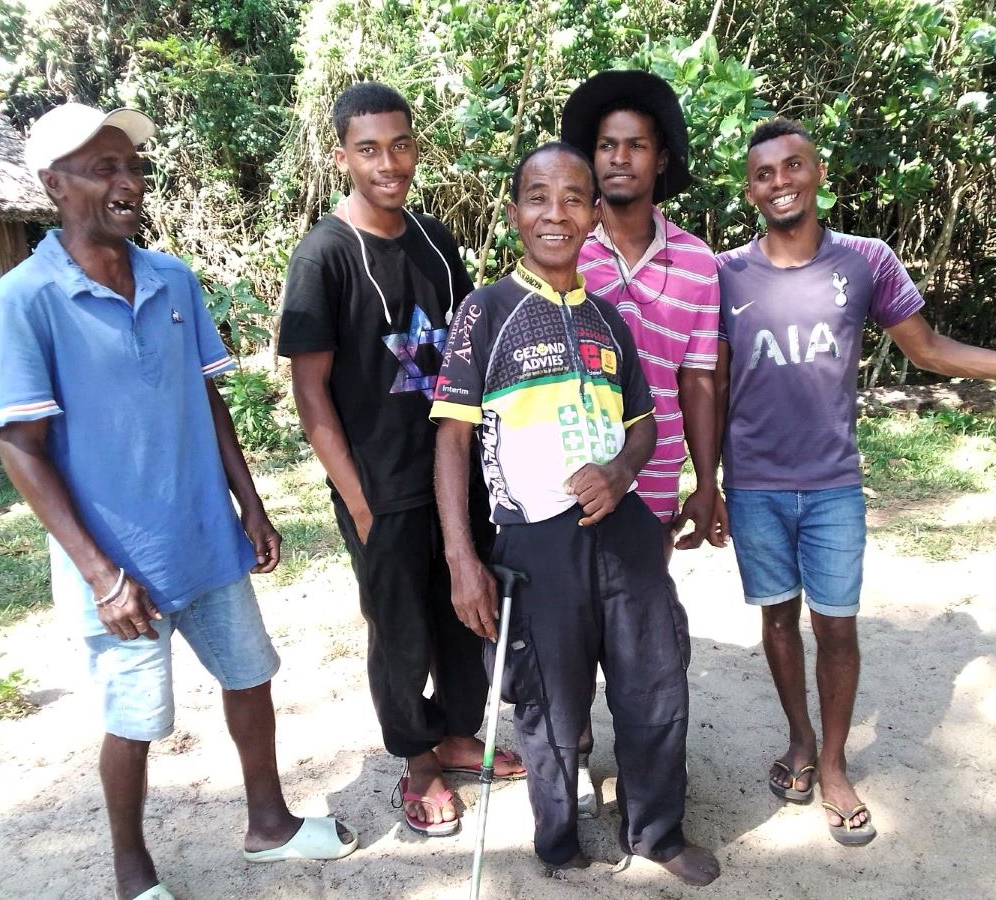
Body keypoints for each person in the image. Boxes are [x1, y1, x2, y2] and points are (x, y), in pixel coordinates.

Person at [0, 103, 356, 900]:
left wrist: (249, 504)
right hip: (119, 567)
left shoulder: (171, 278)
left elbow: (206, 398)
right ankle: (131, 871)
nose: (128, 181)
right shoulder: (23, 301)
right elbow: (21, 448)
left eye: (133, 167)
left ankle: (270, 824)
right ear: (54, 184)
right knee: (136, 720)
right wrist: (100, 574)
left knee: (250, 676)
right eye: (104, 167)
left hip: (205, 537)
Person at [715, 117, 996, 846]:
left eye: (793, 166)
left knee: (838, 625)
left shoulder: (864, 261)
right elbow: (709, 386)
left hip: (832, 487)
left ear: (817, 173)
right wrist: (703, 482)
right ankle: (798, 737)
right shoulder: (725, 274)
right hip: (754, 485)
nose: (780, 181)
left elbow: (932, 350)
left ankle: (832, 762)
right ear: (750, 190)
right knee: (778, 620)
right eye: (764, 174)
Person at [432, 141, 721, 886]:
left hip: (624, 529)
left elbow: (646, 424)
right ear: (513, 212)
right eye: (538, 197)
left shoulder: (607, 320)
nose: (554, 213)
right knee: (549, 702)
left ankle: (656, 831)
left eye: (572, 199)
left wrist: (623, 472)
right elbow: (453, 441)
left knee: (655, 679)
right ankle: (559, 844)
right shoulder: (484, 313)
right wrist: (463, 560)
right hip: (535, 542)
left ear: (594, 214)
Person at [277, 81, 523, 838]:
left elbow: (461, 352)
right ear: (343, 155)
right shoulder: (323, 256)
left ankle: (454, 733)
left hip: (454, 474)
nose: (390, 162)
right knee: (401, 626)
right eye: (369, 148)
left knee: (462, 616)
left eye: (401, 143)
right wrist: (356, 499)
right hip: (379, 488)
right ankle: (417, 761)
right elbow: (311, 393)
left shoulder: (436, 240)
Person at [560, 69, 725, 818]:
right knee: (570, 623)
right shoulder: (562, 249)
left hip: (653, 480)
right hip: (567, 477)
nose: (620, 158)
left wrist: (707, 480)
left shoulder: (698, 263)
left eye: (637, 145)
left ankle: (636, 765)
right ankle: (573, 751)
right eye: (606, 146)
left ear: (662, 160)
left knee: (638, 623)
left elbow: (698, 381)